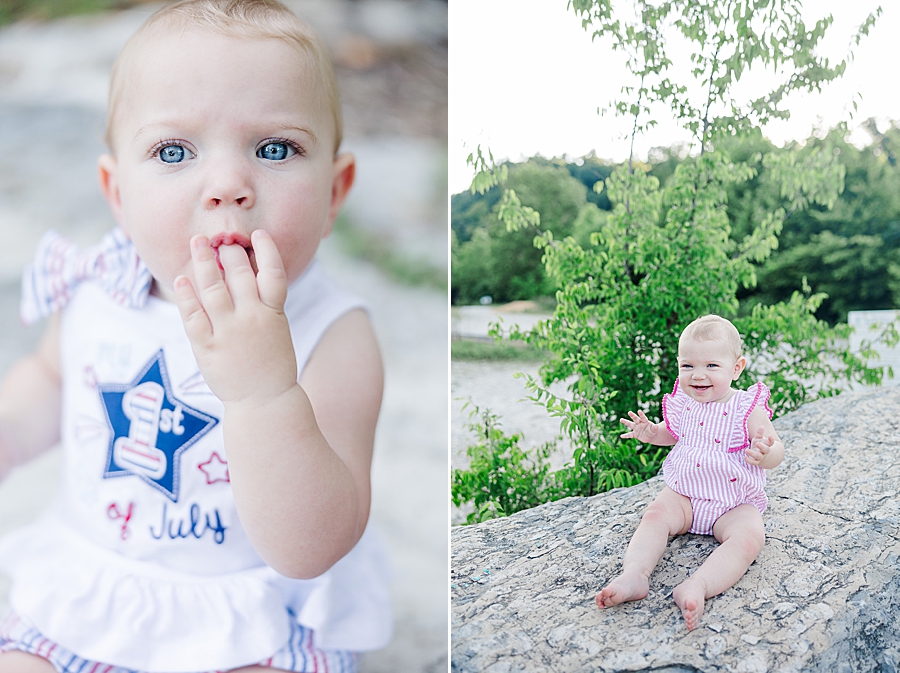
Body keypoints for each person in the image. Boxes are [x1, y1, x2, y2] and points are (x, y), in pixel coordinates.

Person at [0, 1, 391, 670]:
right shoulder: (98, 289)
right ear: (116, 191)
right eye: (173, 151)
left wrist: (264, 391)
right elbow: (47, 383)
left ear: (334, 191)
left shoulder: (335, 335)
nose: (228, 186)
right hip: (96, 584)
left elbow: (311, 545)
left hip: (249, 611)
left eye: (275, 148)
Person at [596, 315, 784, 631]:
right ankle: (635, 574)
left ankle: (699, 584)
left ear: (736, 368)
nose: (698, 375)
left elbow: (776, 448)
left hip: (732, 503)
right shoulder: (684, 402)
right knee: (655, 513)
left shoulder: (746, 407)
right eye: (687, 366)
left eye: (711, 366)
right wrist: (651, 433)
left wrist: (766, 452)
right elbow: (673, 433)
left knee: (751, 537)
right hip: (686, 496)